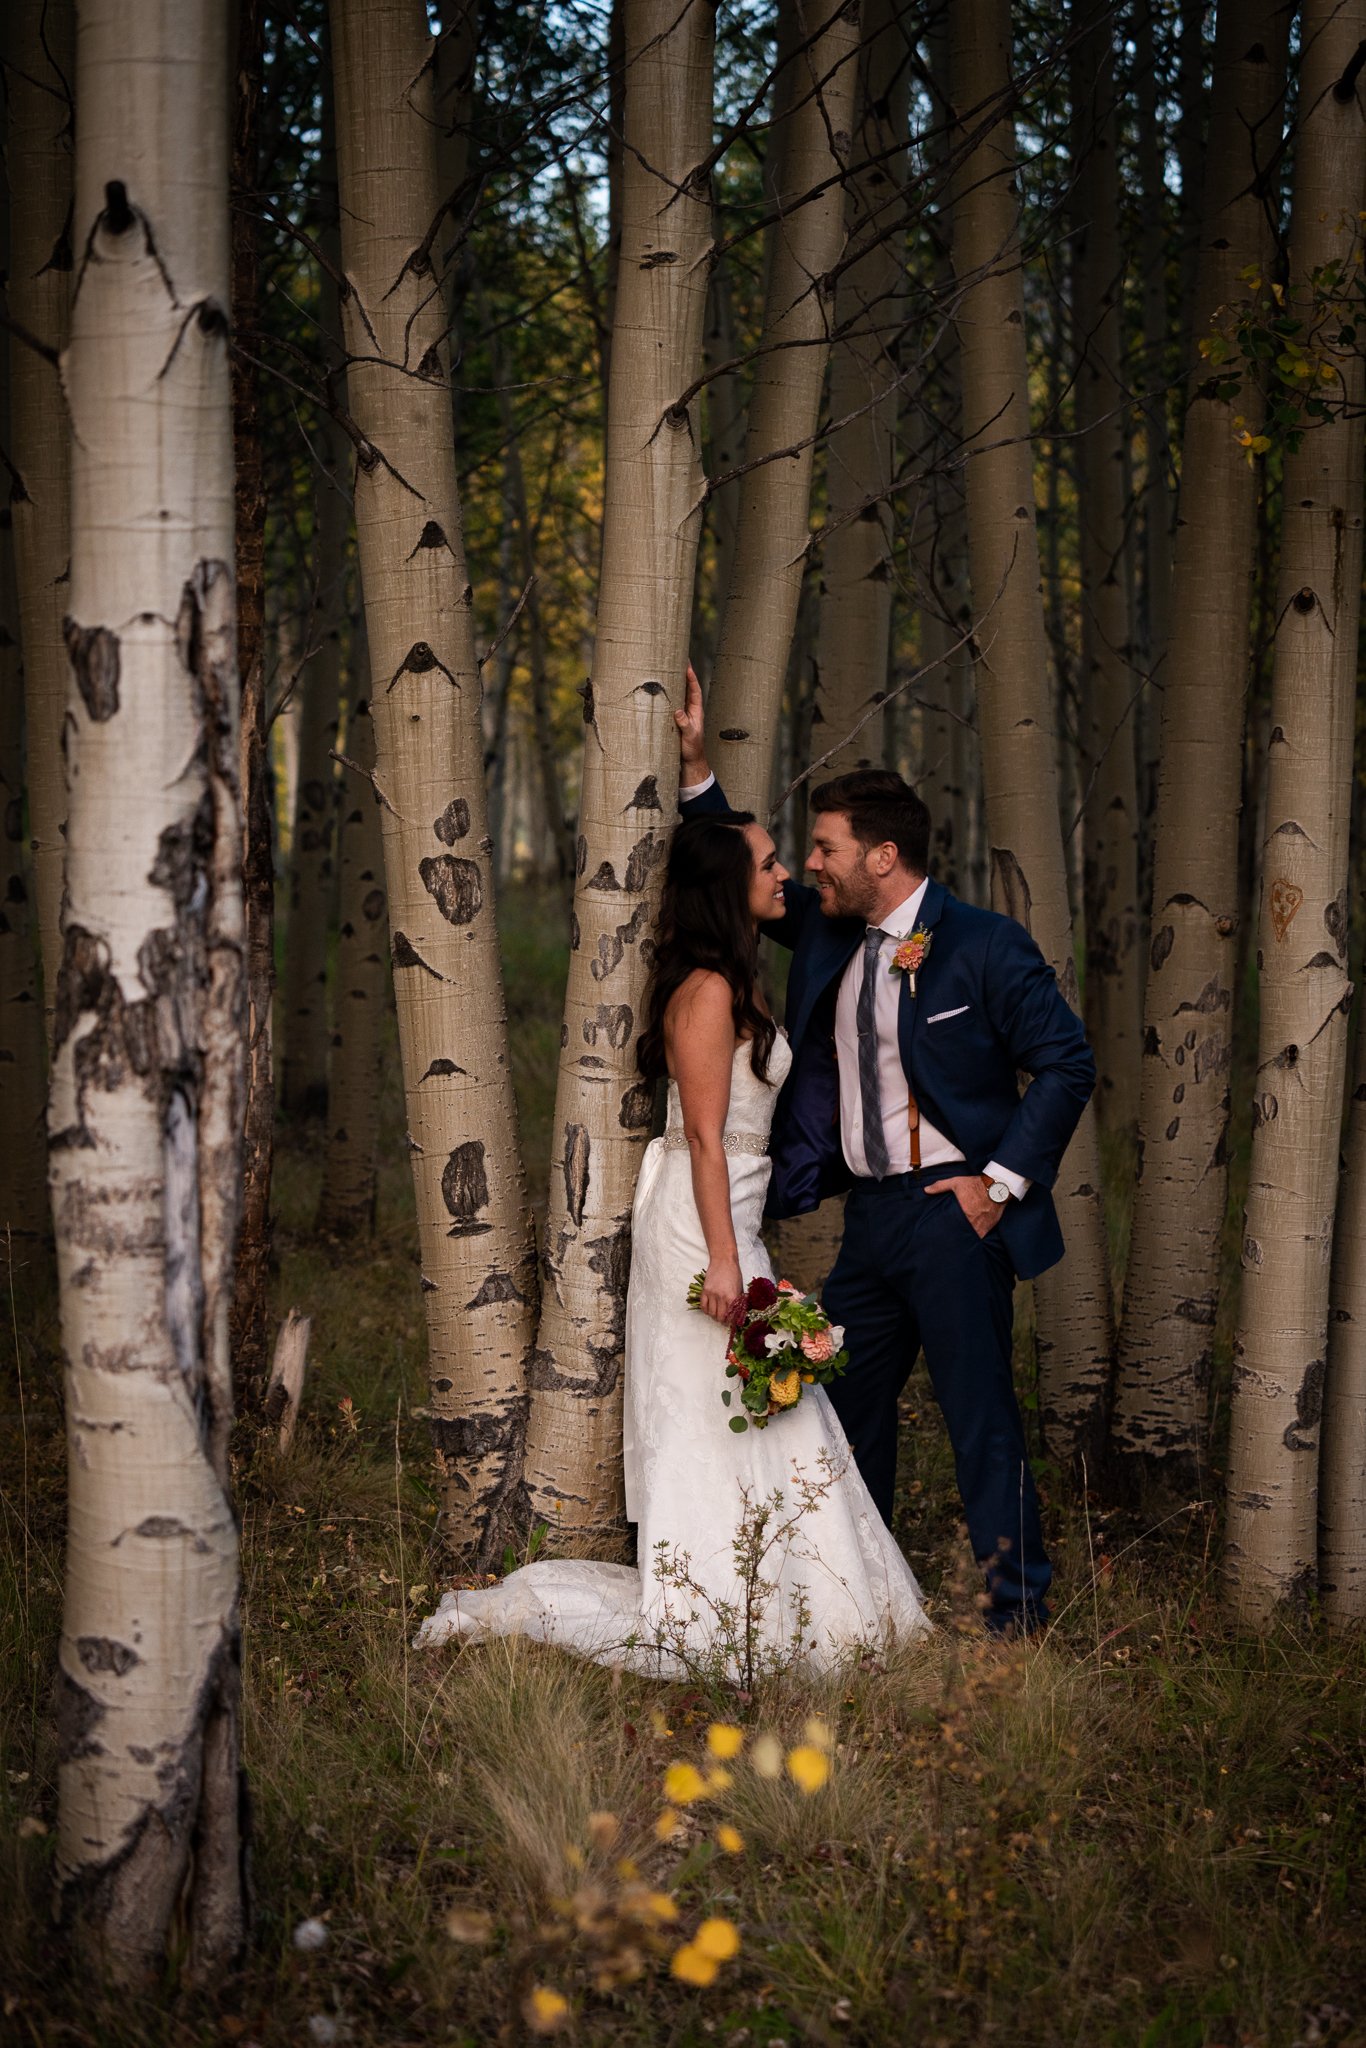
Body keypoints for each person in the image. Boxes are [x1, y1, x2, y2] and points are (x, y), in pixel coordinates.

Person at [416, 809, 930, 1675]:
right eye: (768, 864)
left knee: (763, 1403)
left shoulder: (740, 978)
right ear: (730, 888)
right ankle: (722, 1594)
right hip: (703, 1227)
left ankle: (794, 1590)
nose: (783, 875)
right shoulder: (707, 991)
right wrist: (726, 1260)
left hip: (733, 1213)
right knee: (722, 1403)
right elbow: (701, 1136)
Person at [675, 669, 1096, 1634]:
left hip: (955, 1216)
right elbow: (736, 862)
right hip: (867, 1225)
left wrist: (996, 1186)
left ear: (884, 855)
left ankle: (1016, 1618)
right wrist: (697, 771)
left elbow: (1067, 1064)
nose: (811, 866)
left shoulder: (986, 947)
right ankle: (858, 1610)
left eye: (826, 849)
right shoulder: (829, 936)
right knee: (842, 1415)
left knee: (979, 1417)